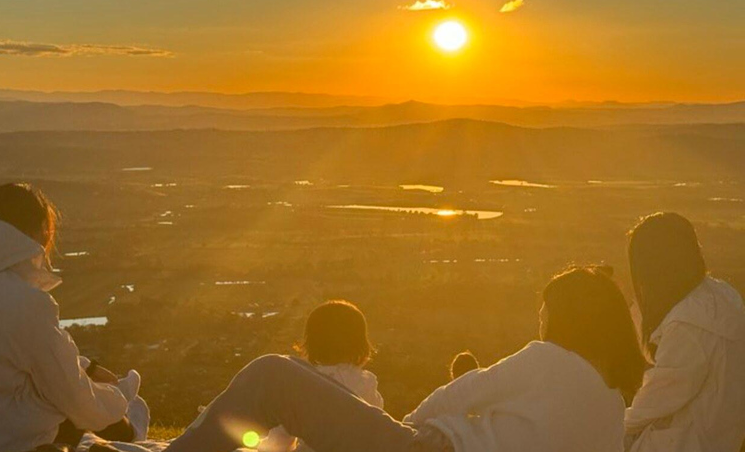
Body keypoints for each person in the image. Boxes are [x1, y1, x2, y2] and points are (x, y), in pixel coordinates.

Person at [166, 266, 644, 452]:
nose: (539, 317)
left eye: (545, 307)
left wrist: (405, 429)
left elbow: (463, 391)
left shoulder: (546, 359)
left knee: (272, 374)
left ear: (564, 317)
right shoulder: (611, 408)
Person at [0, 183, 136, 452]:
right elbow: (77, 400)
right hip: (3, 440)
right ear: (39, 229)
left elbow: (2, 355)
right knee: (122, 423)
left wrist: (87, 367)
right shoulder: (24, 301)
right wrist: (122, 394)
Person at [625, 212, 745, 452]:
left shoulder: (689, 325)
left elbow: (660, 398)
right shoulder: (722, 296)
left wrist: (609, 428)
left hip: (688, 442)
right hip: (722, 435)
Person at [259, 300, 384, 452]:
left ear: (312, 343)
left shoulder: (303, 384)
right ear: (361, 343)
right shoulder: (367, 384)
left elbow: (279, 443)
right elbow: (376, 432)